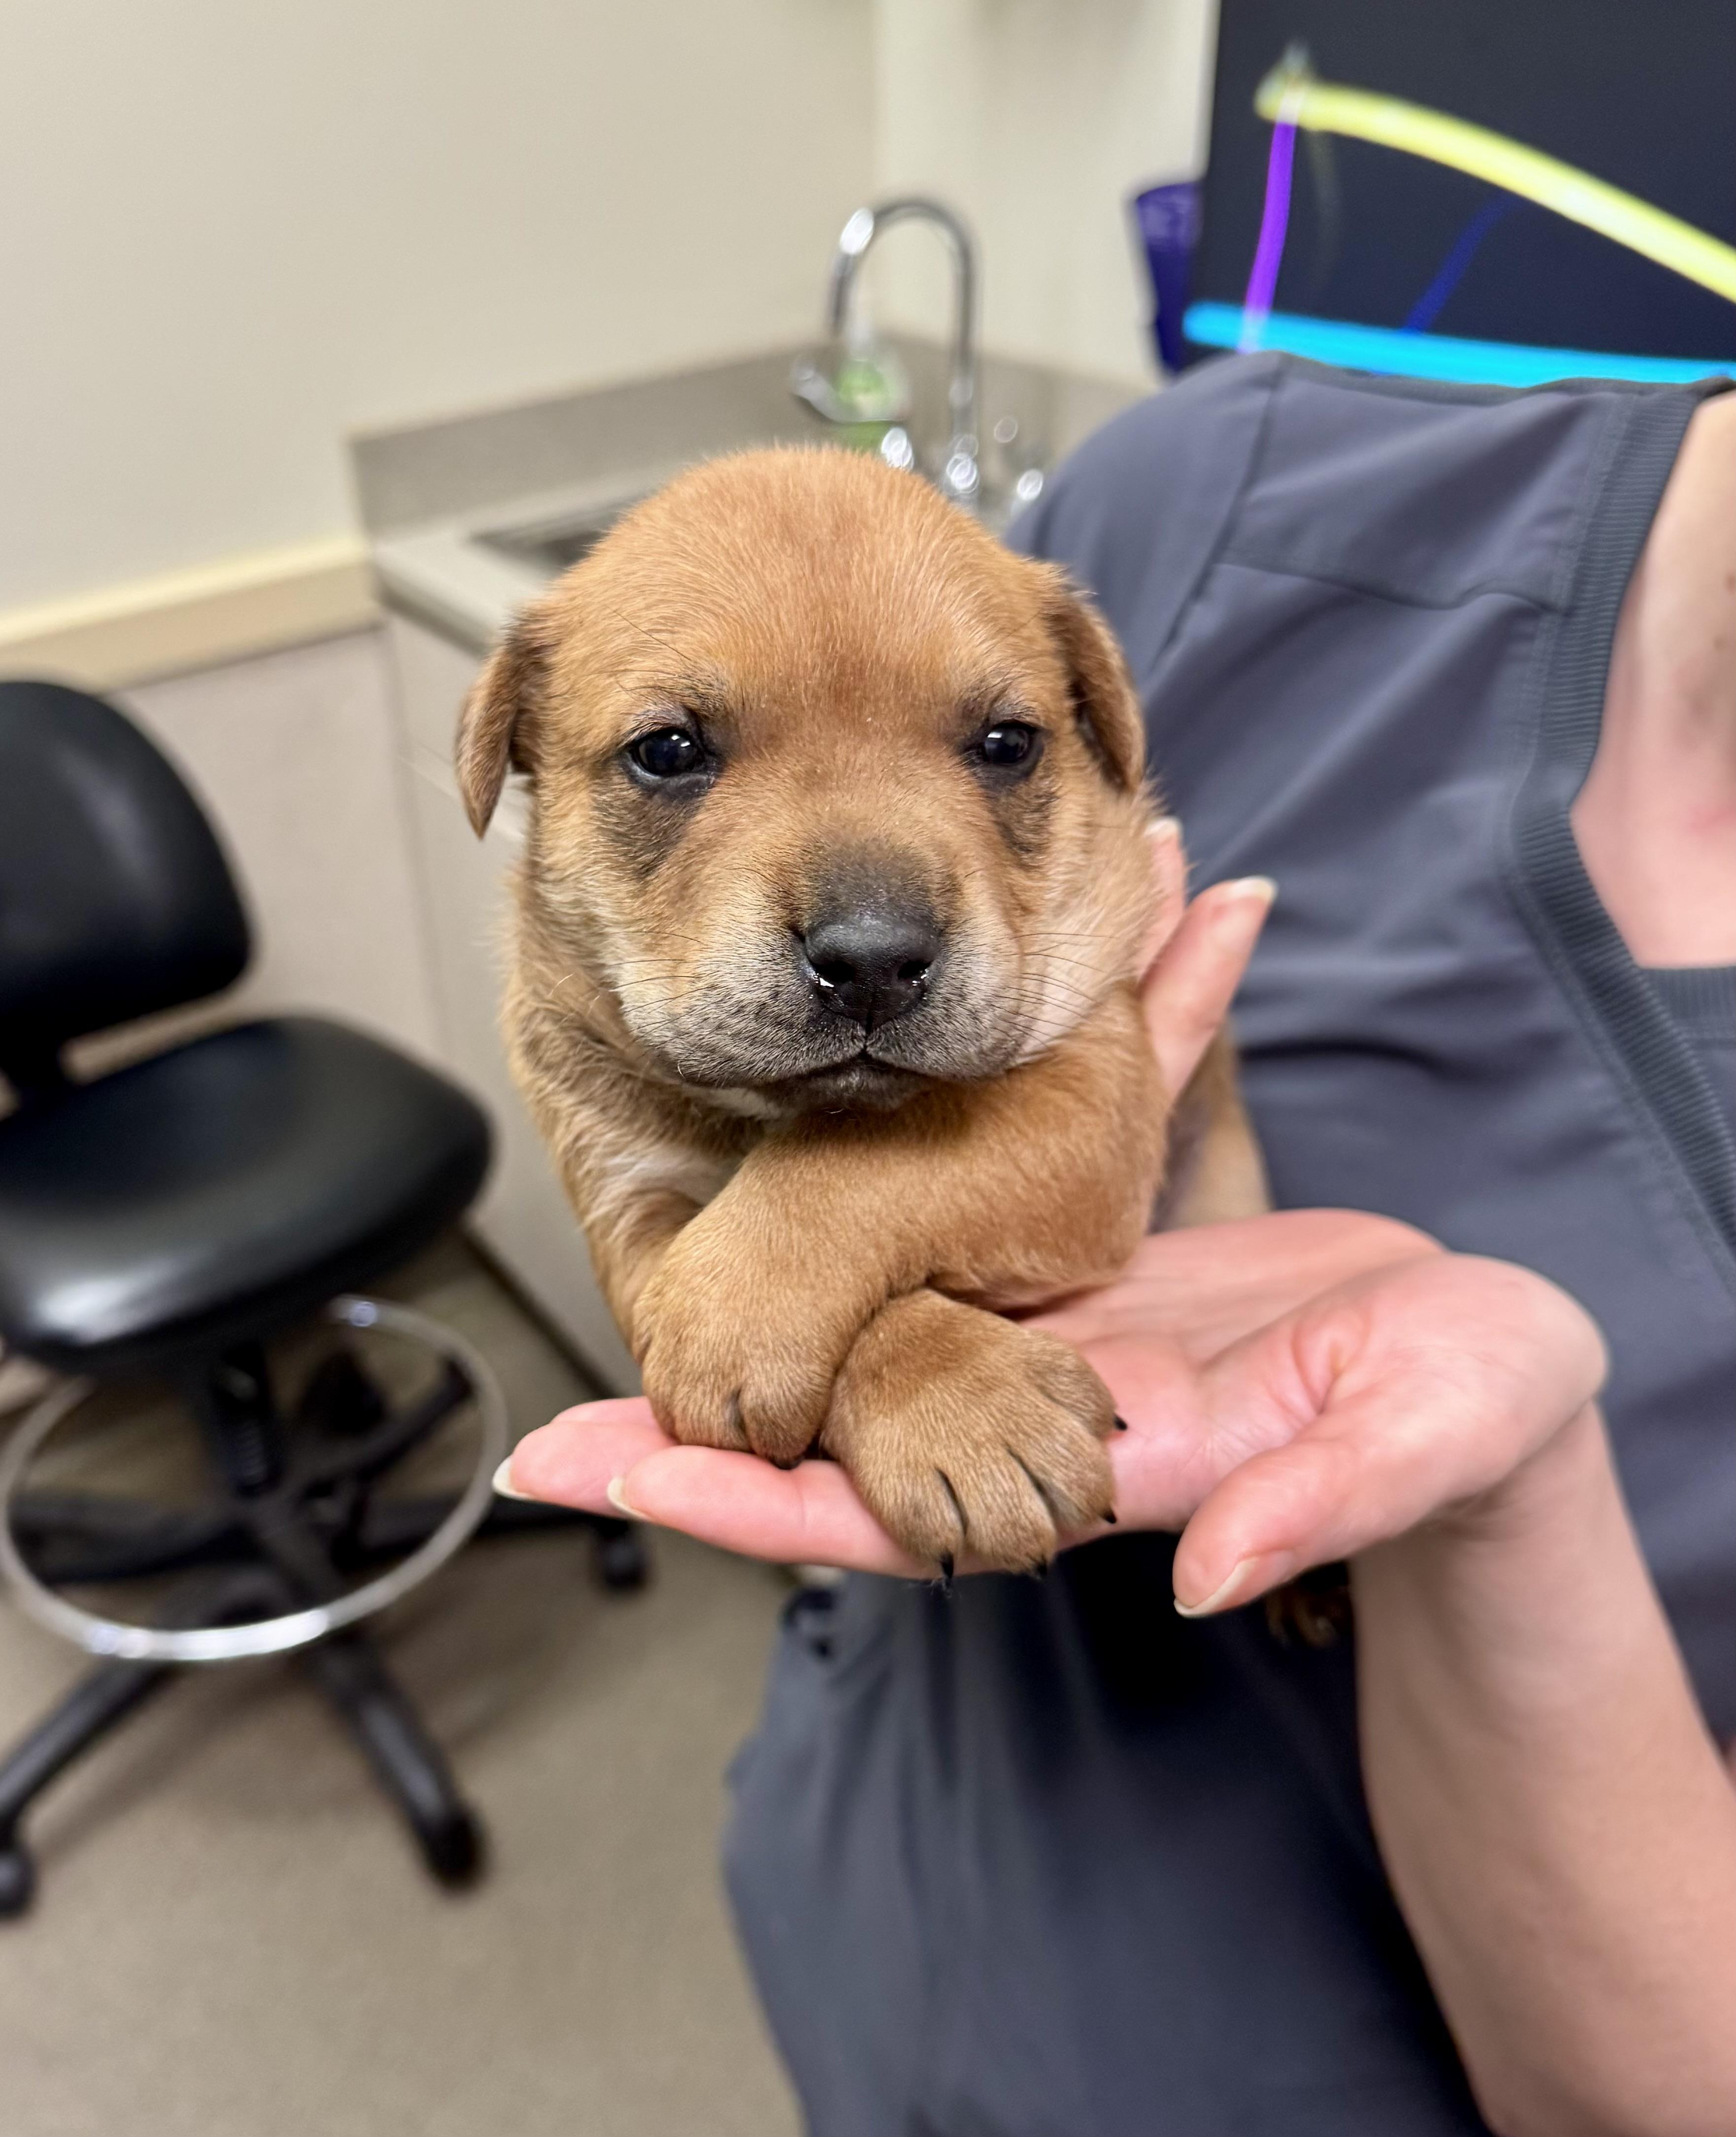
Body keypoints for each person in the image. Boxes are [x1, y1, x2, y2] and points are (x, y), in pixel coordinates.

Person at [511, 353, 1736, 2137]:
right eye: (674, 754)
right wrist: (894, 1340)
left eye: (998, 745)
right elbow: (702, 1316)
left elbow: (1017, 1179)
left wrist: (813, 1246)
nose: (872, 913)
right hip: (884, 1865)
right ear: (511, 759)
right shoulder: (1204, 483)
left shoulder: (1071, 760)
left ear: (1091, 740)